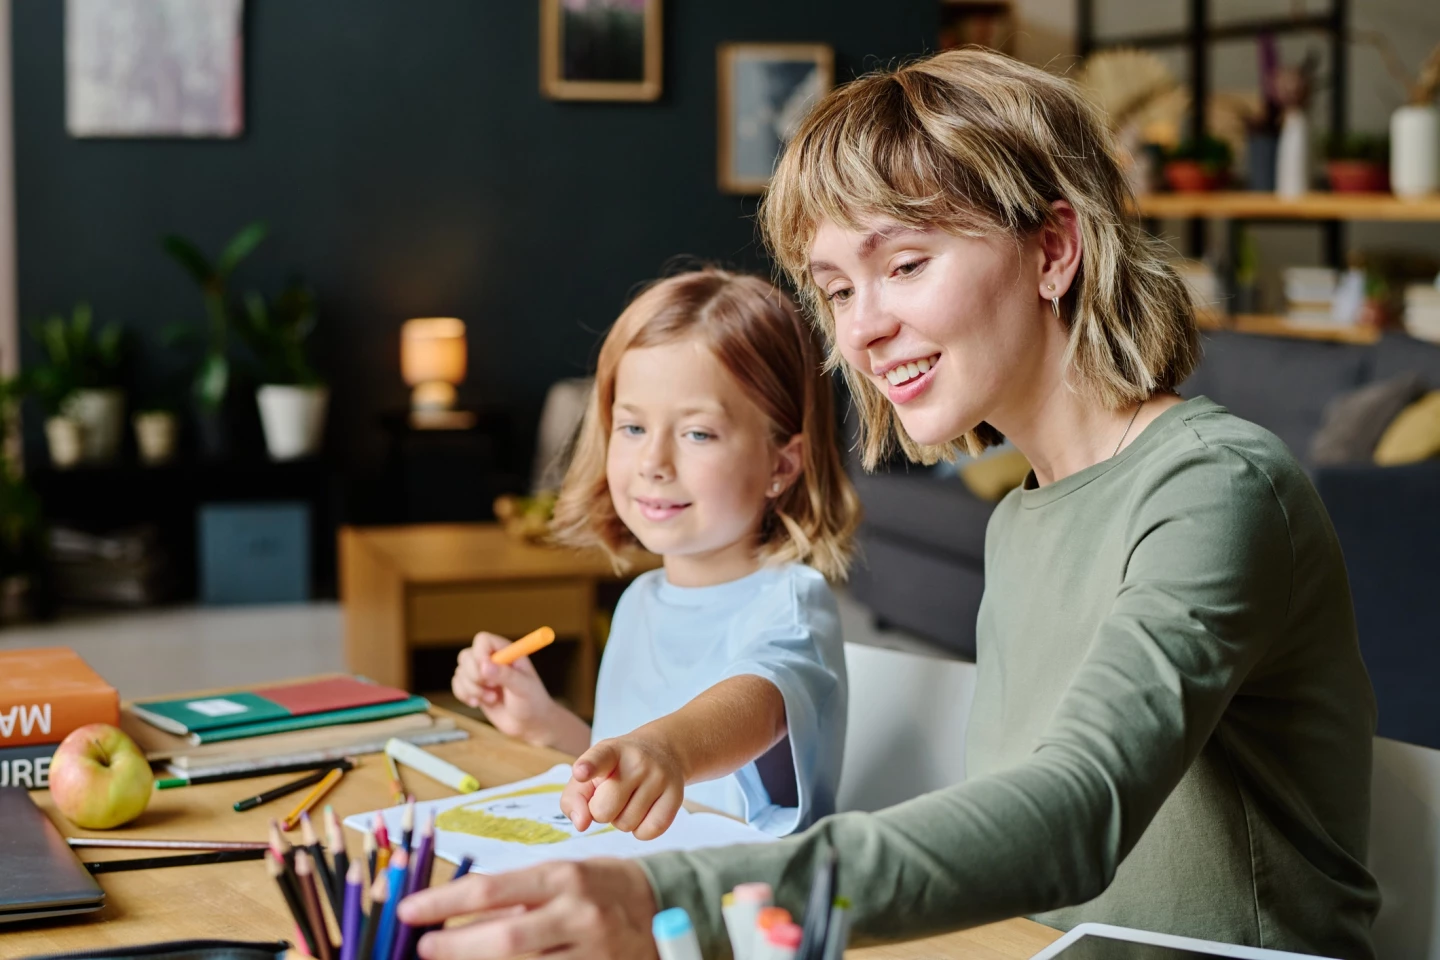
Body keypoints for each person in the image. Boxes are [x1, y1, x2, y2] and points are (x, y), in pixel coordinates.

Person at [403, 49, 1380, 960]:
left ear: (1052, 249)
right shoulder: (1023, 518)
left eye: (905, 264)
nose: (864, 328)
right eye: (835, 289)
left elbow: (1076, 816)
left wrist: (679, 906)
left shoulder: (1215, 490)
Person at [450, 267, 861, 841]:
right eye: (633, 427)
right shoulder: (640, 601)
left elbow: (757, 703)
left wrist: (667, 747)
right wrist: (544, 723)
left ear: (781, 466)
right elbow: (634, 776)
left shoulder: (792, 604)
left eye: (698, 434)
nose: (653, 463)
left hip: (745, 909)